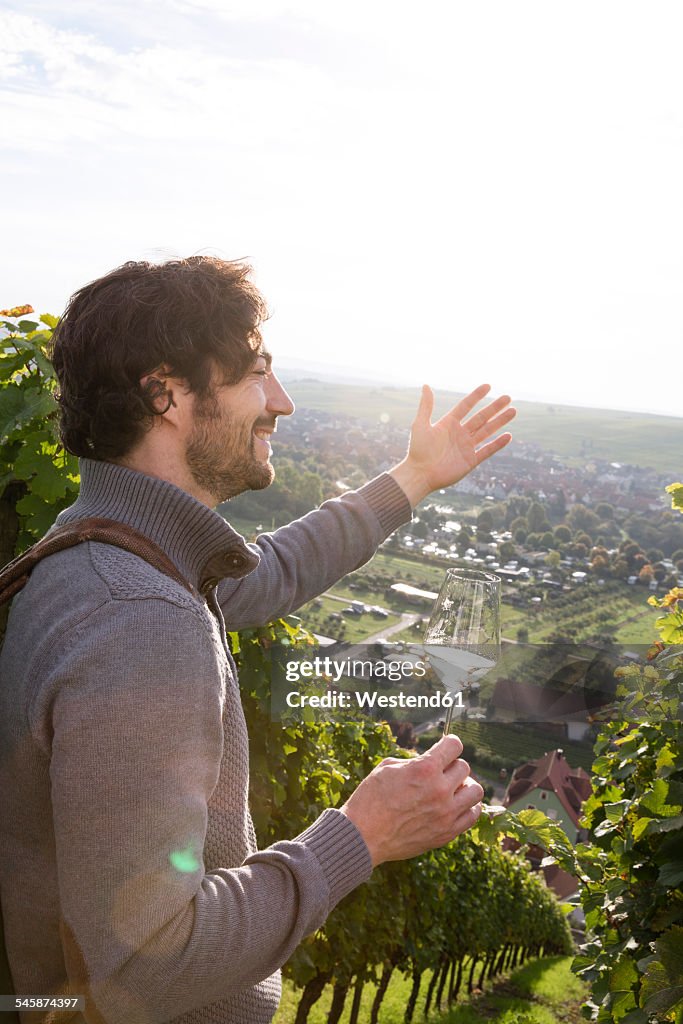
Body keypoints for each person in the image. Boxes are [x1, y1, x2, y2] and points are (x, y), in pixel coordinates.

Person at [0, 257, 516, 1024]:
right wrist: (360, 834)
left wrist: (412, 478)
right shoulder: (139, 618)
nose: (281, 402)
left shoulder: (95, 550)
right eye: (255, 375)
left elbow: (267, 572)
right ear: (165, 394)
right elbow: (146, 962)